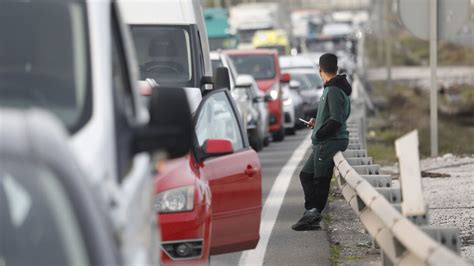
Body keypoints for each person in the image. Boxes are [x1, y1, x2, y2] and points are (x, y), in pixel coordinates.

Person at [291, 53, 352, 231]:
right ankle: (311, 212)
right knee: (307, 175)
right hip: (326, 141)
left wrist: (319, 134)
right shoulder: (333, 87)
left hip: (329, 141)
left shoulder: (333, 90)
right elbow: (333, 117)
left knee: (320, 179)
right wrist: (317, 124)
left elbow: (336, 120)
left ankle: (313, 214)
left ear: (321, 70)